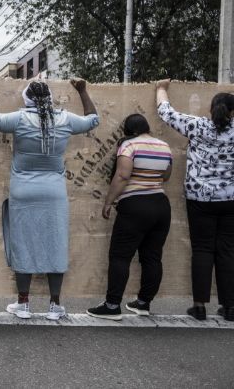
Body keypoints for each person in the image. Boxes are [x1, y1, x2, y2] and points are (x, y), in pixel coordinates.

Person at [0, 74, 99, 321]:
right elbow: (93, 120)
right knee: (56, 244)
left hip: (23, 191)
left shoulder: (20, 119)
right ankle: (55, 306)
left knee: (23, 243)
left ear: (27, 100)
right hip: (54, 193)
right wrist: (83, 90)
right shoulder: (64, 119)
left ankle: (23, 304)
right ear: (50, 99)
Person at [156, 80, 234, 321]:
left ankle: (199, 305)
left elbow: (165, 112)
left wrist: (161, 88)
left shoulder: (196, 126)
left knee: (202, 249)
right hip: (231, 197)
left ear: (211, 109)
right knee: (228, 251)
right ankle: (230, 307)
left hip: (199, 196)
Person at [87, 114, 172, 320]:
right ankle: (143, 303)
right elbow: (166, 176)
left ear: (128, 130)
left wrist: (109, 201)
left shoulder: (129, 146)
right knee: (152, 257)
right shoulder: (164, 146)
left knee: (120, 256)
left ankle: (112, 305)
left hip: (135, 205)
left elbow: (123, 175)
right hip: (161, 205)